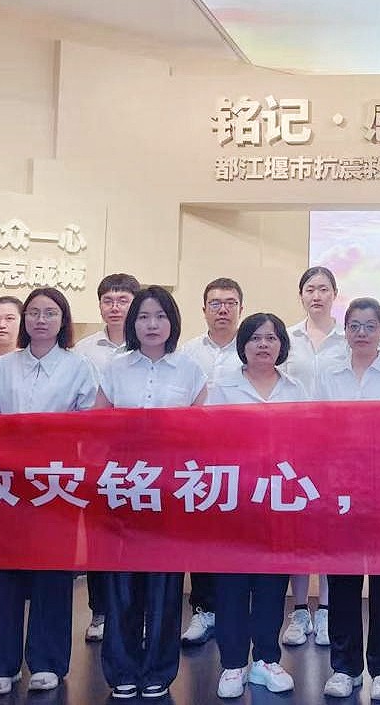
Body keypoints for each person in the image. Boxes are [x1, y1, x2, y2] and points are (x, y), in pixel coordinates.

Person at [0, 287, 99, 695]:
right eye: (33, 313)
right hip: (7, 484)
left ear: (63, 321)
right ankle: (0, 663)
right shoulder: (2, 367)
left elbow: (90, 424)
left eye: (50, 313)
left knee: (52, 573)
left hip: (55, 484)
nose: (40, 320)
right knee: (2, 572)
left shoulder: (79, 367)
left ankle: (48, 661)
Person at [94, 286, 207, 699]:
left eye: (160, 316)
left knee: (164, 584)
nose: (152, 324)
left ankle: (159, 668)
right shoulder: (114, 368)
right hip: (123, 488)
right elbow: (98, 426)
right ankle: (122, 668)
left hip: (170, 490)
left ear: (172, 322)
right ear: (133, 323)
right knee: (121, 584)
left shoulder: (191, 370)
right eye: (143, 317)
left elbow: (203, 433)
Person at [317, 298, 380, 701]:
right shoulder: (328, 374)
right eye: (354, 326)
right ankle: (345, 667)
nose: (361, 333)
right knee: (342, 579)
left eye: (370, 326)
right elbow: (317, 427)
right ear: (345, 331)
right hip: (339, 487)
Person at [210, 313, 311, 699]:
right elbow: (209, 440)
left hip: (280, 496)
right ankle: (233, 663)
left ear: (282, 344)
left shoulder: (296, 389)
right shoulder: (223, 387)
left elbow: (308, 440)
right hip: (235, 497)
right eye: (255, 338)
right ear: (244, 345)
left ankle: (267, 659)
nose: (263, 345)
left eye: (271, 338)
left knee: (272, 582)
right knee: (232, 584)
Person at [72, 273, 141, 642]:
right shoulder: (83, 350)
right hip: (97, 458)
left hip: (142, 460)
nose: (115, 307)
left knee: (139, 535)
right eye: (108, 300)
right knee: (100, 536)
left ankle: (137, 613)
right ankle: (100, 612)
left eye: (123, 300)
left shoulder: (149, 344)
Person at [176, 277, 244, 646]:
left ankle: (235, 611)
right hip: (198, 458)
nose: (222, 309)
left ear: (240, 309)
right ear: (203, 310)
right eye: (215, 303)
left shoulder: (251, 347)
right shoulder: (186, 353)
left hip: (243, 457)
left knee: (237, 536)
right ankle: (204, 610)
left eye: (230, 303)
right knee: (201, 536)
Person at [281, 266, 345, 647]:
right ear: (301, 295)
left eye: (323, 289)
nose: (316, 295)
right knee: (299, 527)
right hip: (295, 444)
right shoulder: (286, 338)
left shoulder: (348, 337)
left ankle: (326, 610)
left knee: (330, 529)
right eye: (310, 289)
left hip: (337, 447)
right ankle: (300, 609)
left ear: (335, 294)